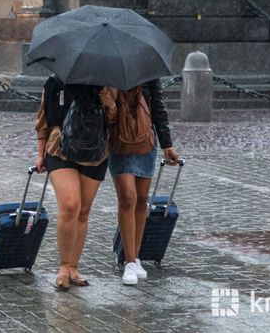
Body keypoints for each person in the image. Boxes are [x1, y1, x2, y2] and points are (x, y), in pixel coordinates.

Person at [35, 79, 117, 290]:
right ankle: (63, 266)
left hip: (95, 152)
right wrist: (39, 153)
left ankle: (73, 266)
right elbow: (44, 119)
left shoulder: (107, 82)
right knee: (70, 205)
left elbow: (115, 122)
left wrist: (110, 104)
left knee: (83, 212)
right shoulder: (56, 81)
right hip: (60, 147)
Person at [108, 79, 179, 285]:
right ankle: (129, 260)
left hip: (144, 141)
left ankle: (136, 257)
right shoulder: (107, 74)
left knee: (141, 200)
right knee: (127, 198)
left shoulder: (148, 72)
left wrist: (167, 144)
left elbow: (158, 106)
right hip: (118, 141)